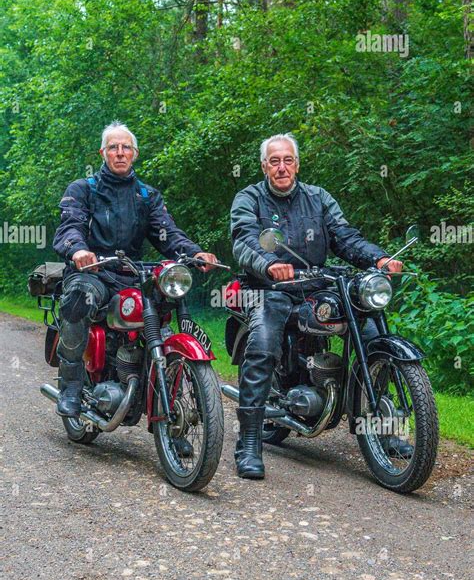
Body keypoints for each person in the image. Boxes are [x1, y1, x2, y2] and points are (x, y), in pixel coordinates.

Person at [230, 133, 412, 479]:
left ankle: (384, 429)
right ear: (264, 166)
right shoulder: (249, 198)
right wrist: (268, 262)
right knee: (264, 341)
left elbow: (345, 237)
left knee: (371, 330)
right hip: (270, 287)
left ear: (297, 163)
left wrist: (379, 259)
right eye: (274, 161)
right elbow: (244, 239)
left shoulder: (318, 198)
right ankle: (249, 442)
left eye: (287, 160)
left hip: (316, 284)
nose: (281, 167)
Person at [53, 121, 217, 456]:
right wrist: (78, 250)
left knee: (163, 319)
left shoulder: (146, 196)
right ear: (103, 153)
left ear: (135, 153)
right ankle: (70, 383)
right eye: (113, 147)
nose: (119, 152)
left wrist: (193, 254)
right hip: (95, 272)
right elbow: (69, 226)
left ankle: (171, 421)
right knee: (77, 299)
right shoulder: (83, 189)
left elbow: (167, 234)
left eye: (125, 147)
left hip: (133, 274)